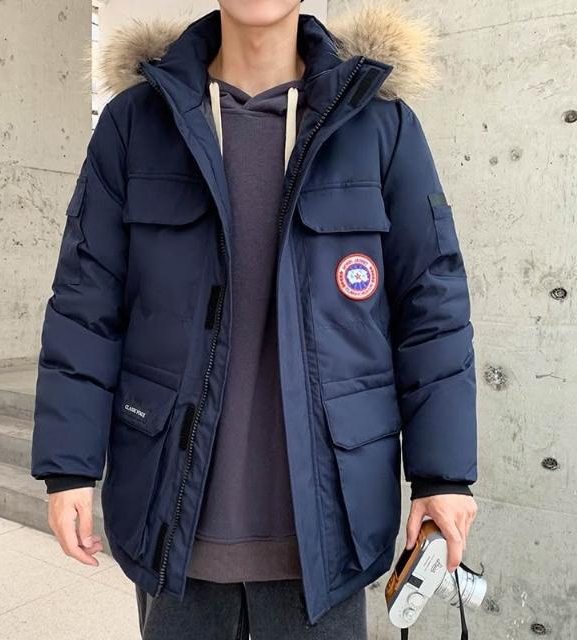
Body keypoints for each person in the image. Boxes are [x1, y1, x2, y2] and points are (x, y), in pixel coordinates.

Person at [31, 2, 479, 638]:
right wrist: (69, 465)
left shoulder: (380, 125)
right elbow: (86, 302)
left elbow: (431, 307)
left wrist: (442, 474)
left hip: (328, 526)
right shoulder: (136, 123)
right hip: (173, 518)